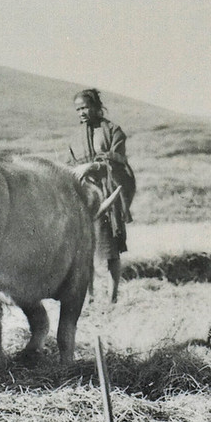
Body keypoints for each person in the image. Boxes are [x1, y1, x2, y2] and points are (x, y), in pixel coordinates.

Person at [68, 88, 135, 303]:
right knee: (84, 248)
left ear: (97, 107)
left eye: (85, 107)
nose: (82, 112)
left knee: (110, 248)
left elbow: (118, 161)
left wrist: (93, 166)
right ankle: (88, 297)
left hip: (108, 193)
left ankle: (112, 296)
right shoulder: (76, 136)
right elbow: (71, 163)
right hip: (84, 196)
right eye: (78, 109)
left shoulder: (113, 131)